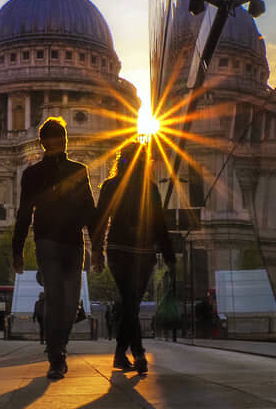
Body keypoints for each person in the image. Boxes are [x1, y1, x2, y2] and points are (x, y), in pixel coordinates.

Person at [13, 117, 96, 380]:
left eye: (61, 135)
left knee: (71, 301)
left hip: (74, 241)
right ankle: (56, 355)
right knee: (54, 297)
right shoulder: (33, 174)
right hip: (47, 240)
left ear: (65, 139)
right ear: (43, 142)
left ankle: (58, 345)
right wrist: (17, 249)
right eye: (52, 136)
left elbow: (89, 211)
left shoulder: (79, 170)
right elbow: (24, 213)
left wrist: (98, 245)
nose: (58, 140)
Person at [92, 141, 175, 374]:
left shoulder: (110, 186)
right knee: (131, 304)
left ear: (121, 160)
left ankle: (121, 355)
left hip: (119, 250)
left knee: (130, 304)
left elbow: (100, 220)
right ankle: (137, 353)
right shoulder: (150, 188)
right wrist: (168, 255)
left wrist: (97, 251)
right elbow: (160, 225)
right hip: (143, 252)